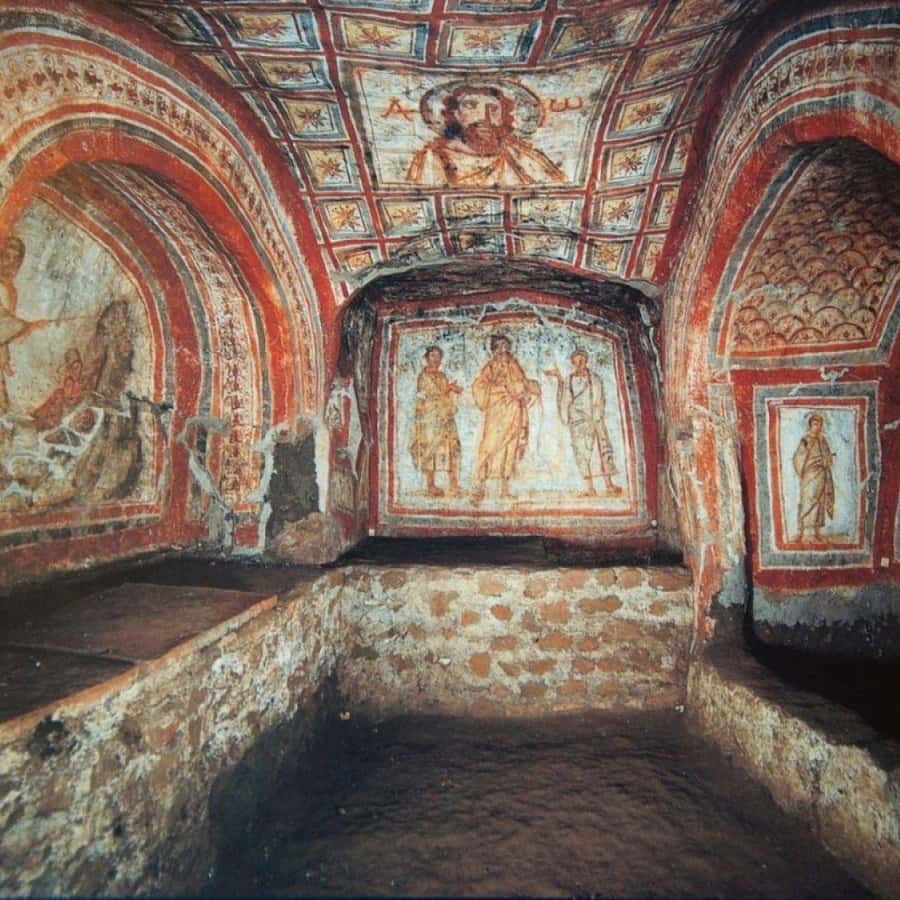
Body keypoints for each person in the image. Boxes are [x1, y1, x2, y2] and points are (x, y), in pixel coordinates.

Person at [406, 84, 566, 188]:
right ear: (454, 114)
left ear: (504, 116)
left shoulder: (522, 156)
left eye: (493, 109)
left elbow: (555, 190)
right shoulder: (431, 157)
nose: (484, 116)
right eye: (471, 106)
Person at [471, 334, 540, 502]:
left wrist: (530, 388)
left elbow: (522, 383)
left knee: (510, 449)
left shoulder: (515, 365)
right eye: (500, 346)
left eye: (506, 346)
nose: (504, 349)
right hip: (497, 412)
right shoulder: (491, 367)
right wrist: (503, 390)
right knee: (489, 447)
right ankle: (480, 488)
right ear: (494, 349)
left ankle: (504, 489)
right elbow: (479, 386)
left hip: (515, 411)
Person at [546, 349, 622, 497]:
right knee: (583, 453)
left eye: (582, 360)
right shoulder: (569, 380)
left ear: (586, 361)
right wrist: (568, 416)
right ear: (573, 363)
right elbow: (565, 398)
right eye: (576, 361)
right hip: (578, 421)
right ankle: (590, 488)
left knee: (602, 451)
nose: (579, 364)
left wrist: (597, 415)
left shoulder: (595, 379)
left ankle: (609, 485)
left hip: (594, 419)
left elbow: (600, 398)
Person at [0, 235, 49, 413]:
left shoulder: (11, 291)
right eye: (7, 256)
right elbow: (3, 321)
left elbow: (3, 335)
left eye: (16, 259)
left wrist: (4, 360)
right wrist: (28, 326)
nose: (11, 263)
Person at [409, 345, 462, 497]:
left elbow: (446, 396)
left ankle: (453, 483)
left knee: (451, 447)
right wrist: (449, 388)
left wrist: (452, 395)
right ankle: (431, 485)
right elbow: (431, 394)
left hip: (445, 417)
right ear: (427, 358)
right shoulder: (423, 376)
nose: (436, 359)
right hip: (430, 418)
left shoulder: (442, 376)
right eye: (433, 355)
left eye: (439, 356)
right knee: (430, 450)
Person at [792, 412, 835, 543]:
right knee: (809, 500)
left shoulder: (823, 440)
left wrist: (827, 460)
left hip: (822, 474)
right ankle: (806, 533)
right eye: (815, 424)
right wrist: (805, 469)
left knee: (819, 502)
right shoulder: (806, 440)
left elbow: (828, 456)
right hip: (810, 475)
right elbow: (798, 458)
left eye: (820, 424)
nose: (818, 427)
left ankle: (816, 532)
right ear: (810, 425)